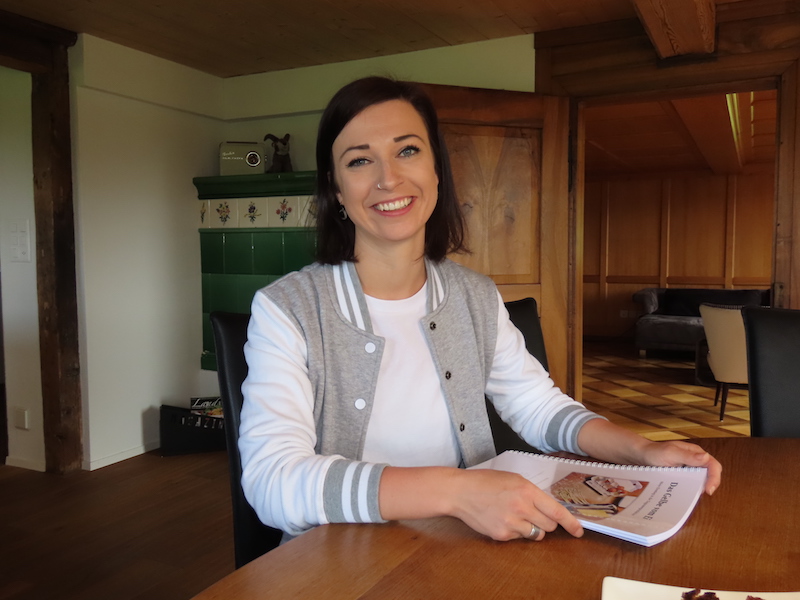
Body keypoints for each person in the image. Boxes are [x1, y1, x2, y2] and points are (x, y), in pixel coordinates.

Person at [238, 76, 722, 544]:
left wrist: (642, 450)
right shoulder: (287, 310)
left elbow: (539, 409)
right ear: (337, 189)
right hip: (337, 564)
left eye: (407, 151)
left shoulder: (475, 296)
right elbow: (271, 481)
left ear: (436, 169)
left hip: (463, 548)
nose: (388, 178)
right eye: (360, 160)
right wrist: (456, 492)